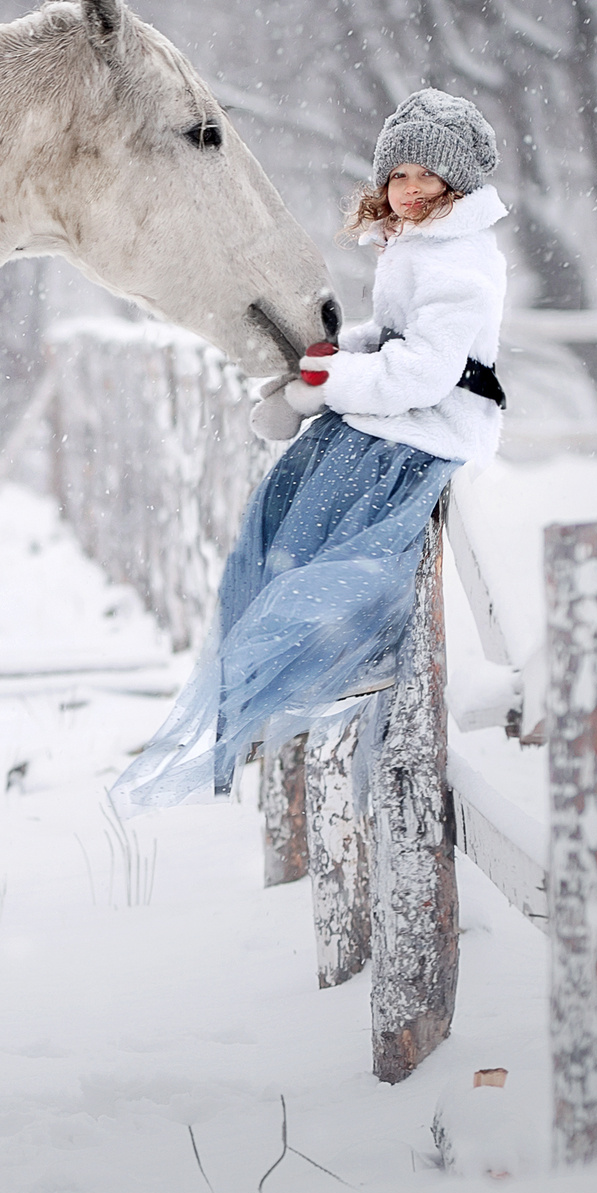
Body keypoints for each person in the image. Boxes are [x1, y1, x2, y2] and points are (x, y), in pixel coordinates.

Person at [109, 88, 510, 815]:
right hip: (394, 422)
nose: (411, 189)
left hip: (424, 434)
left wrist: (334, 380)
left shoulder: (461, 263)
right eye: (399, 176)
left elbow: (423, 369)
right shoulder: (418, 247)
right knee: (290, 516)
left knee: (340, 556)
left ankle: (339, 656)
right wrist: (328, 361)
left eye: (428, 176)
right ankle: (288, 678)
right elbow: (390, 340)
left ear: (458, 185)